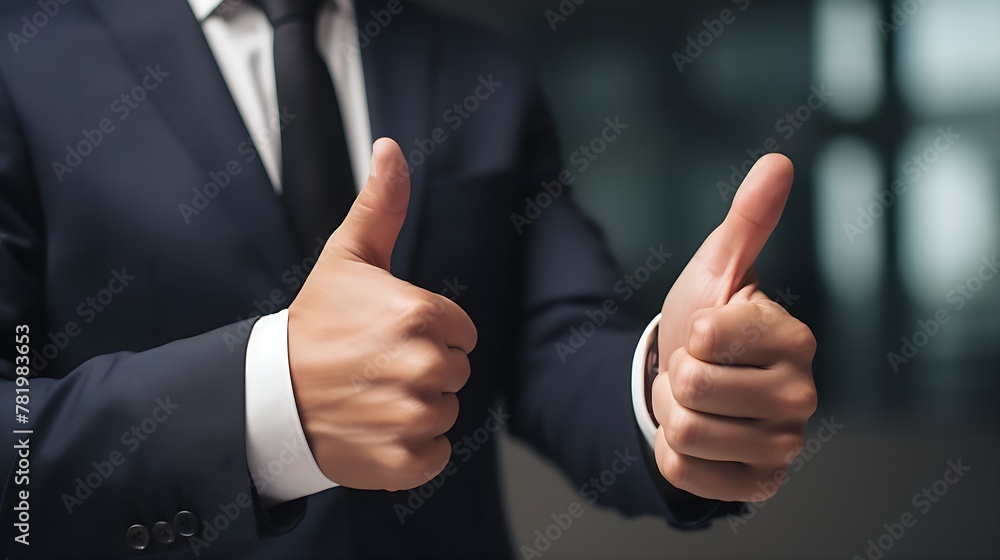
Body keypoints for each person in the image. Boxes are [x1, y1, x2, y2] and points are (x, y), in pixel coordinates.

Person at [0, 0, 816, 558]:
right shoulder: (20, 59)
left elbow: (561, 344)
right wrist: (266, 402)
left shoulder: (475, 71)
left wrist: (674, 389)